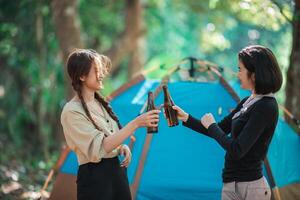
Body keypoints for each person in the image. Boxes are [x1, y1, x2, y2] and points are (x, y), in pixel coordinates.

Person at [172, 45, 282, 200]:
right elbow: (220, 129)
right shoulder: (247, 101)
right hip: (230, 184)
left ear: (255, 74)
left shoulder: (266, 106)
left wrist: (211, 126)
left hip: (251, 188)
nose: (238, 74)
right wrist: (186, 118)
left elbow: (237, 149)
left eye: (240, 69)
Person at [60, 49, 160, 200]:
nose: (102, 74)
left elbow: (109, 140)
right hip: (95, 180)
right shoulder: (72, 111)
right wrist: (136, 123)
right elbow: (101, 147)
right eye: (96, 70)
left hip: (117, 175)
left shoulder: (100, 104)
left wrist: (120, 147)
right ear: (82, 76)